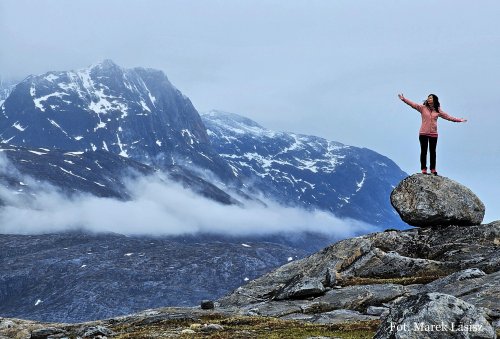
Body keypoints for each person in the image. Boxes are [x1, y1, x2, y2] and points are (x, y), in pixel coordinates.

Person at [398, 93, 467, 175]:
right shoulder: (422, 108)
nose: (428, 99)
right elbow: (413, 104)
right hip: (423, 133)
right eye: (428, 98)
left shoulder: (438, 110)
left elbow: (448, 117)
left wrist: (459, 120)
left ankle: (433, 169)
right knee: (424, 151)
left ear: (434, 100)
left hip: (433, 134)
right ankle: (423, 169)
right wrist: (404, 99)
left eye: (430, 98)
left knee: (433, 152)